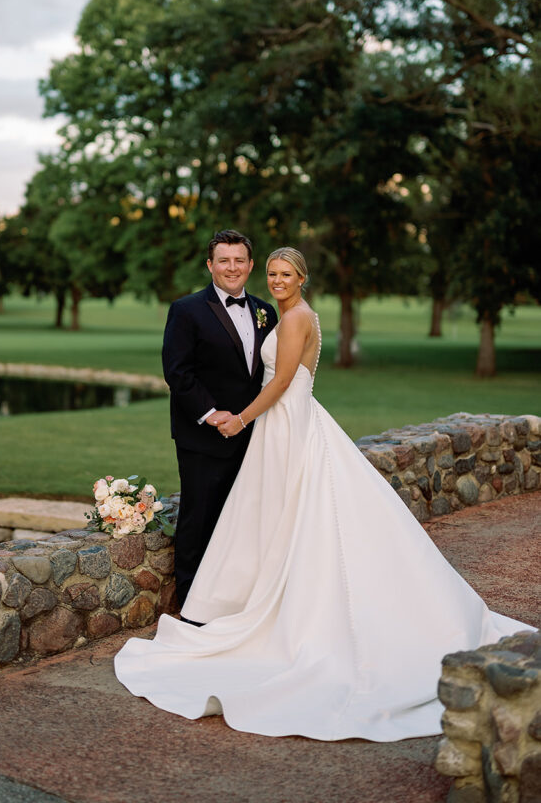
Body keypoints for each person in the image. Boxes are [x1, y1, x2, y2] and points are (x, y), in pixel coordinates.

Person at [115, 247, 534, 741]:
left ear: (301, 278)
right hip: (280, 421)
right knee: (279, 513)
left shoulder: (291, 318)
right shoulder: (280, 312)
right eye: (271, 272)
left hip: (283, 421)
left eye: (283, 273)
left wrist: (243, 418)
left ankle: (294, 613)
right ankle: (240, 602)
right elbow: (196, 372)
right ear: (214, 265)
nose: (274, 280)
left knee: (298, 511)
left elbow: (287, 379)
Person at [161, 229, 277, 610]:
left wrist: (249, 418)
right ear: (210, 265)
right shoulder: (186, 310)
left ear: (250, 265)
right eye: (223, 260)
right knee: (200, 517)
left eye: (239, 260)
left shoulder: (265, 311)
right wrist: (211, 415)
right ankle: (191, 604)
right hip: (203, 438)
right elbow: (178, 372)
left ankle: (232, 599)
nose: (232, 267)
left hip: (252, 434)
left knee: (243, 519)